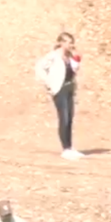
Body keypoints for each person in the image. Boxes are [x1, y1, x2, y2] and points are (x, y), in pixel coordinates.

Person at [35, 32, 84, 160]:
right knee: (64, 117)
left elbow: (75, 69)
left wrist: (76, 57)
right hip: (59, 89)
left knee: (70, 118)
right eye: (68, 42)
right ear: (61, 42)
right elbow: (40, 67)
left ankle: (70, 147)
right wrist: (48, 83)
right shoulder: (53, 56)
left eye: (71, 42)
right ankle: (65, 149)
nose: (70, 45)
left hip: (69, 87)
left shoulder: (69, 56)